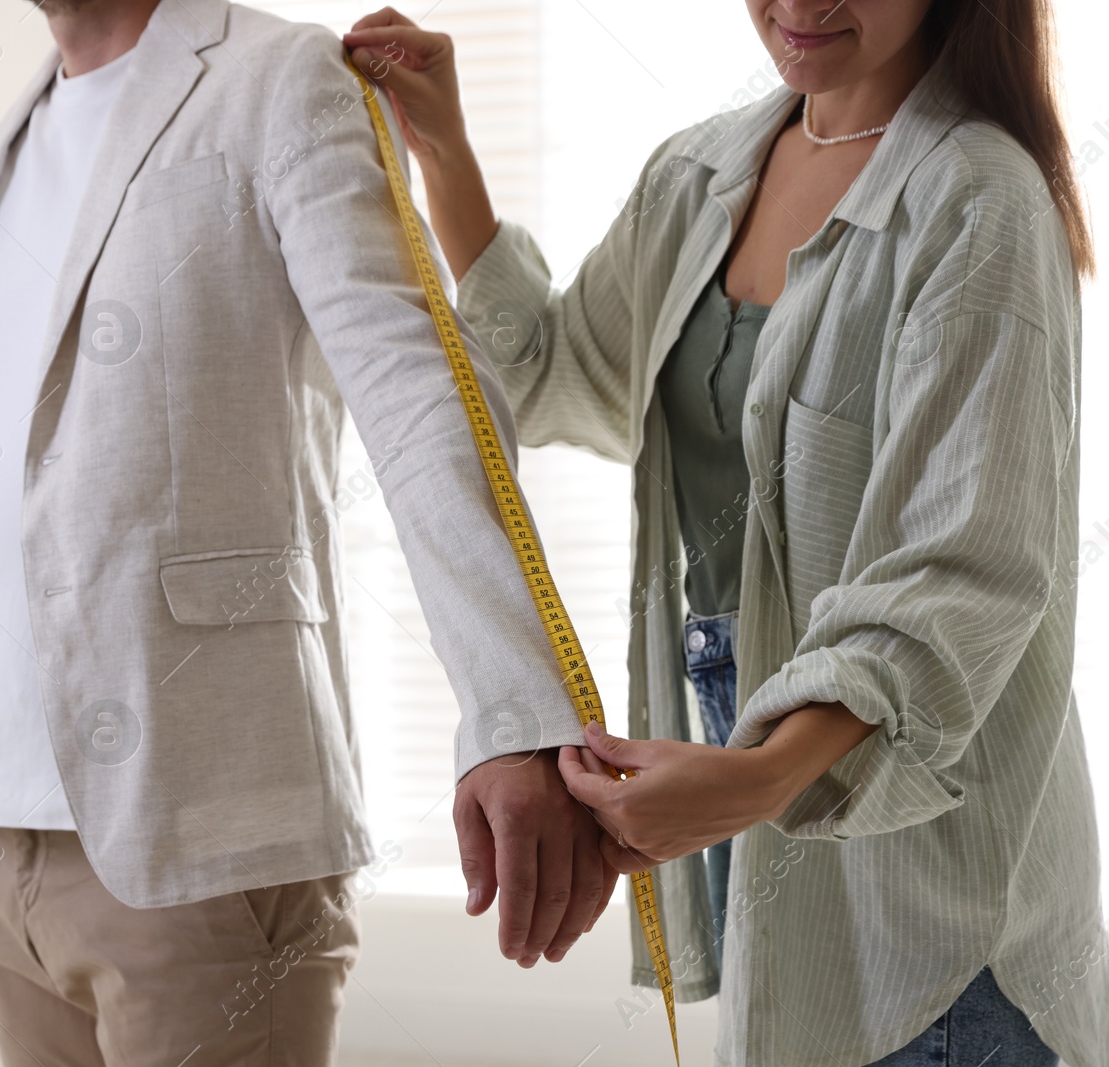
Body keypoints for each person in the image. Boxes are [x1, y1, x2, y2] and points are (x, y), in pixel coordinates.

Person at [0, 0, 619, 1063]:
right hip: (4, 854)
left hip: (205, 843)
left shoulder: (280, 79)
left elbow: (418, 396)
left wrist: (516, 708)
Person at [345, 1, 1107, 1065]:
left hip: (934, 867)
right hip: (742, 757)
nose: (802, 5)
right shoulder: (696, 176)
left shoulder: (981, 204)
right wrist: (446, 146)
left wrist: (754, 778)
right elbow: (558, 374)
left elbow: (962, 576)